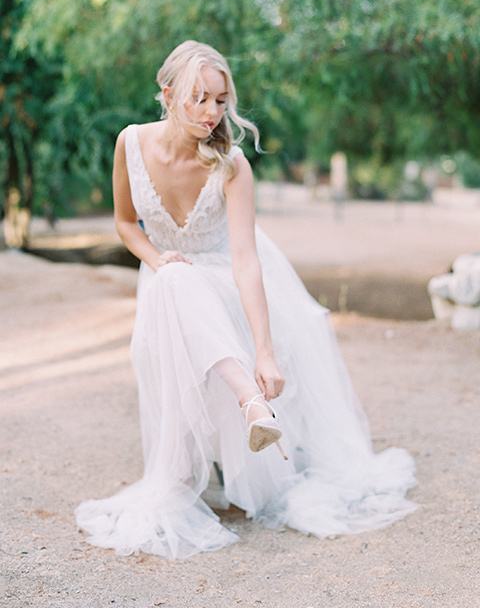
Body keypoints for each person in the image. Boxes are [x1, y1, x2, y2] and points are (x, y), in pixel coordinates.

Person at [75, 40, 417, 559]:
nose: (212, 113)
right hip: (169, 279)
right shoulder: (130, 144)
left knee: (181, 286)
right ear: (167, 95)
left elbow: (245, 261)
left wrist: (263, 350)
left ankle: (248, 399)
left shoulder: (230, 164)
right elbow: (125, 223)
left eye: (220, 100)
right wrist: (156, 258)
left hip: (228, 282)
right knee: (173, 282)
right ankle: (235, 419)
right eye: (199, 99)